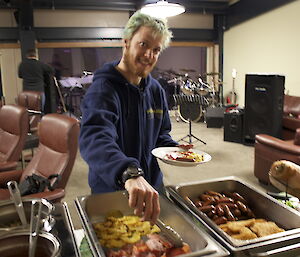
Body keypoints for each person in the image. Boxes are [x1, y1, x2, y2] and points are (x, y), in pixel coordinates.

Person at [79, 11, 187, 223]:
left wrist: (175, 150)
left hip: (153, 186)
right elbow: (95, 139)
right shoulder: (103, 90)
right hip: (113, 189)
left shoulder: (155, 90)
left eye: (156, 50)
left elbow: (161, 134)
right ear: (127, 42)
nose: (149, 55)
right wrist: (128, 173)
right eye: (144, 44)